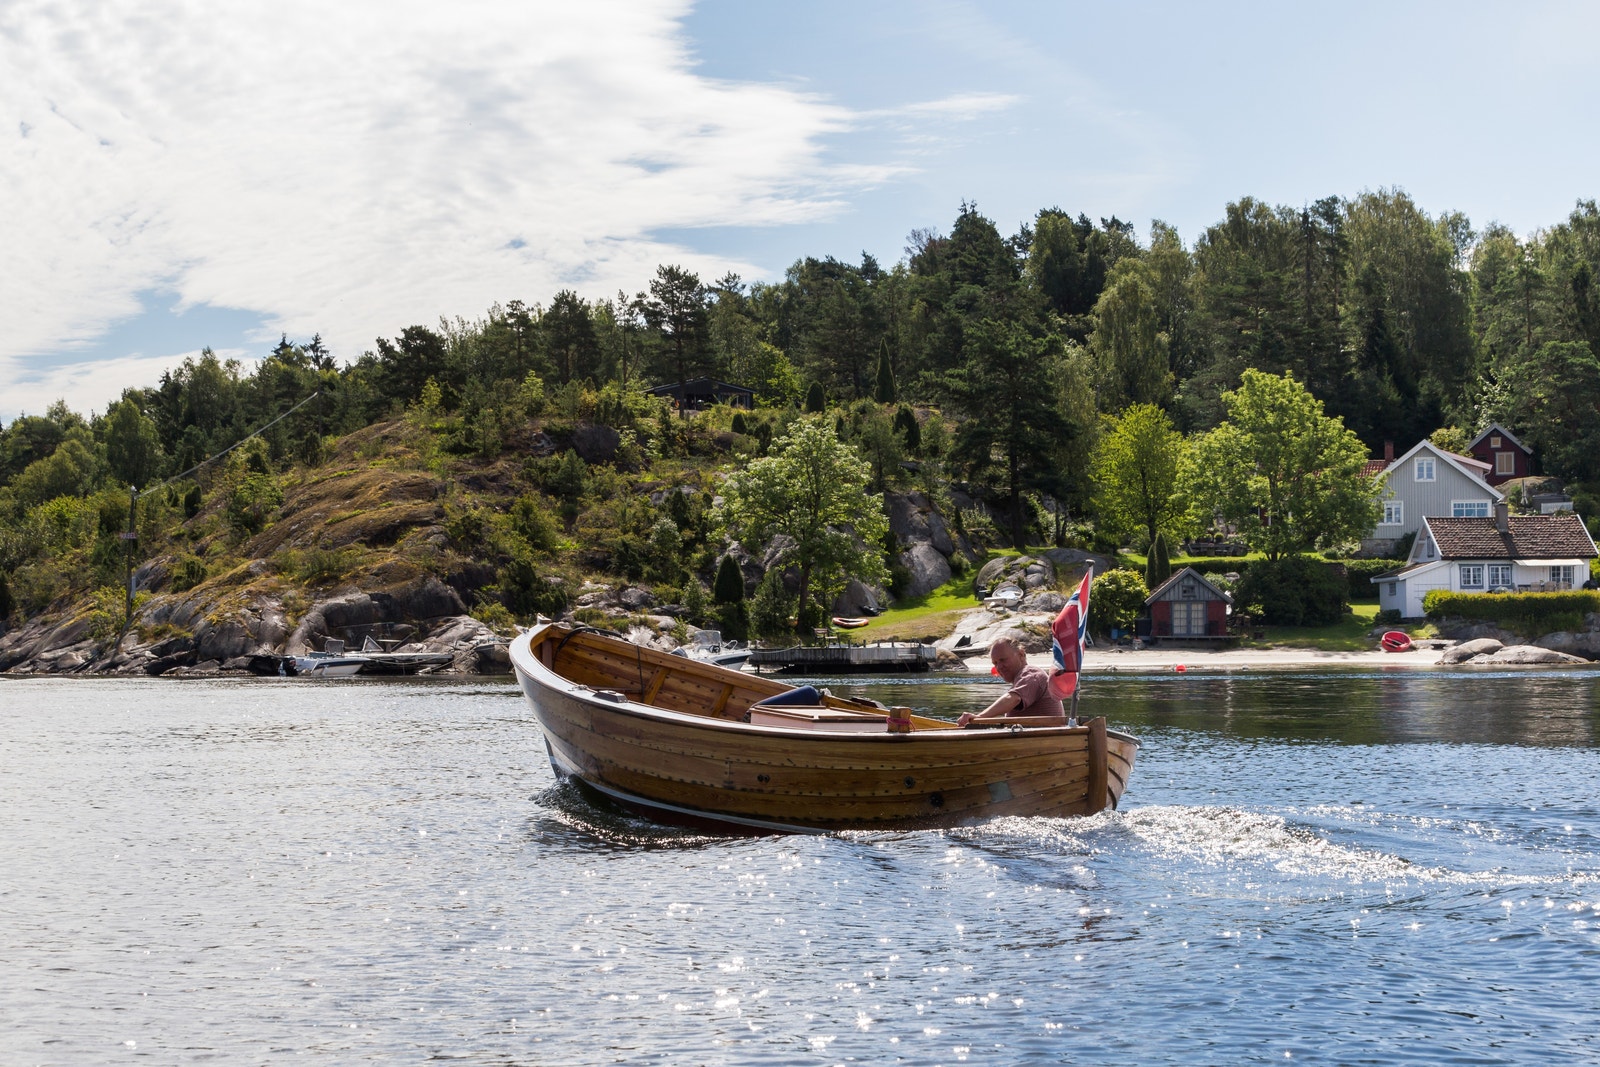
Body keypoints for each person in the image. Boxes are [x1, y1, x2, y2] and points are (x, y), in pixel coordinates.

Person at [956, 637, 1065, 727]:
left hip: (1042, 742)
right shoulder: (1024, 677)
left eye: (1003, 660)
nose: (999, 667)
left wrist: (979, 717)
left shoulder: (1032, 674)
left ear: (1021, 654)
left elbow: (1013, 699)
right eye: (995, 663)